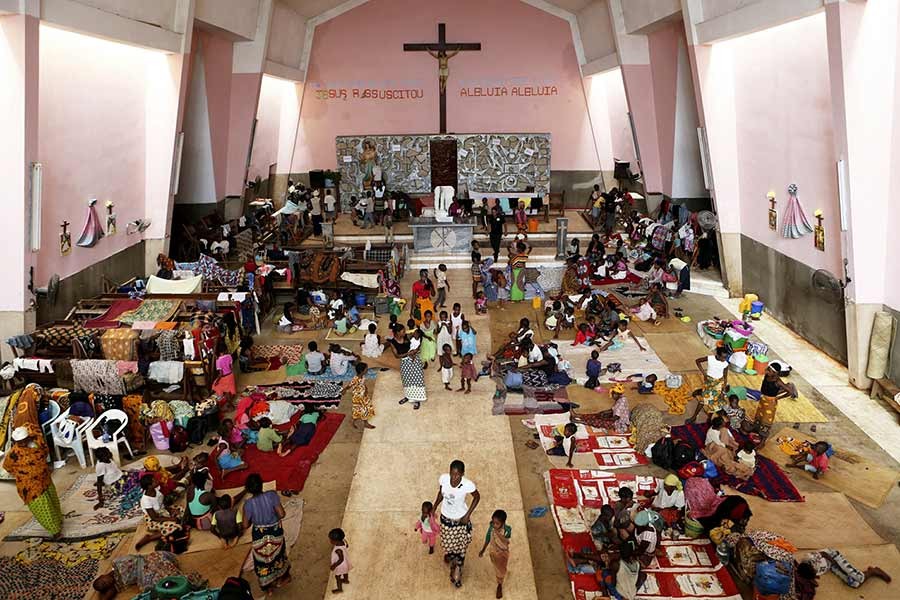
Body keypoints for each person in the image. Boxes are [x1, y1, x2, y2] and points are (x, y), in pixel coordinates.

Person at [4, 424, 63, 538]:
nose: (22, 443)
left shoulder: (37, 444)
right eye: (19, 441)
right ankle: (55, 531)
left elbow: (45, 453)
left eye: (24, 440)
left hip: (45, 479)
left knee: (52, 501)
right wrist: (24, 474)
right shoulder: (13, 454)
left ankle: (58, 520)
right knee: (42, 507)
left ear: (28, 437)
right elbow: (7, 467)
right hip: (30, 486)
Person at [435, 460, 481, 588]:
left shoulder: (467, 485)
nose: (454, 478)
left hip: (460, 521)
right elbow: (441, 493)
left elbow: (477, 497)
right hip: (446, 520)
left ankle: (457, 570)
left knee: (460, 548)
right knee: (448, 545)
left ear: (462, 474)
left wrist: (467, 515)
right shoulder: (443, 479)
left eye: (457, 475)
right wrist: (434, 507)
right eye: (452, 474)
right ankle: (452, 558)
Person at [242, 473, 291, 591]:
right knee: (278, 555)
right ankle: (282, 578)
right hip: (275, 532)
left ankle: (268, 585)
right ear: (261, 484)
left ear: (248, 489)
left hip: (259, 535)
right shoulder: (272, 495)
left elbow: (245, 525)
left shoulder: (248, 504)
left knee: (262, 560)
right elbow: (282, 514)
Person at [92, 551, 203, 600]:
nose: (106, 583)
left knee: (158, 566)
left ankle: (185, 583)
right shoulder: (118, 585)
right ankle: (181, 586)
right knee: (155, 587)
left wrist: (146, 567)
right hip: (144, 576)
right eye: (104, 587)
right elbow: (107, 596)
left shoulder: (116, 563)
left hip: (149, 560)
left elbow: (137, 559)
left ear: (102, 576)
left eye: (103, 582)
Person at [796, 548, 892, 599]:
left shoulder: (809, 558)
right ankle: (868, 572)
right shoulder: (806, 571)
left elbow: (825, 554)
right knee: (854, 584)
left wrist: (841, 568)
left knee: (858, 577)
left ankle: (874, 571)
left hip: (833, 557)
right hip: (829, 566)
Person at [135, 474, 184, 550]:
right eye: (154, 481)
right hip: (154, 518)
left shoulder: (156, 488)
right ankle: (150, 538)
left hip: (162, 510)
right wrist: (170, 519)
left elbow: (161, 502)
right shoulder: (146, 500)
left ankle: (163, 532)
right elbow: (154, 518)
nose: (157, 481)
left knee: (182, 511)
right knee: (174, 527)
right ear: (149, 486)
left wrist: (170, 510)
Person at [752, 363, 798, 443]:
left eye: (769, 370)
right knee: (759, 416)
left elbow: (790, 392)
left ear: (775, 373)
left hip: (770, 403)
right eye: (767, 369)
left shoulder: (778, 381)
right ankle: (757, 432)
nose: (766, 371)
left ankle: (763, 441)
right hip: (763, 399)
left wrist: (778, 398)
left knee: (766, 421)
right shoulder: (767, 376)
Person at [686, 346, 730, 424]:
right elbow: (698, 361)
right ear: (718, 355)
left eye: (725, 358)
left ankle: (710, 420)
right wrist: (704, 374)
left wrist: (723, 389)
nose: (724, 359)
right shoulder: (710, 359)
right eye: (723, 357)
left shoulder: (725, 364)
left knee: (715, 403)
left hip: (718, 384)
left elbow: (725, 377)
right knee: (703, 400)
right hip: (709, 382)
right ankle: (694, 417)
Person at [388, 326, 426, 410]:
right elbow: (397, 355)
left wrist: (416, 350)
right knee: (407, 380)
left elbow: (420, 336)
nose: (404, 332)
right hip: (405, 362)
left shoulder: (407, 336)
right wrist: (408, 354)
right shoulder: (392, 342)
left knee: (417, 379)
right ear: (397, 332)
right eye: (402, 331)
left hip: (414, 359)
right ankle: (408, 396)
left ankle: (417, 400)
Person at [479, 509, 512, 599]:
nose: (494, 525)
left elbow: (506, 540)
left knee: (500, 569)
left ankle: (499, 585)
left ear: (503, 523)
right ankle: (500, 578)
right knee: (497, 566)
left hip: (502, 553)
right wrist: (483, 550)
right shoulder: (491, 529)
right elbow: (488, 538)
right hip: (493, 552)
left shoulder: (507, 530)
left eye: (497, 523)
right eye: (493, 522)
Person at [345, 362, 375, 430]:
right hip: (358, 397)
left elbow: (363, 384)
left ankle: (362, 422)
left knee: (364, 409)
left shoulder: (363, 377)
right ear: (362, 371)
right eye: (366, 369)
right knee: (361, 409)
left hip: (363, 395)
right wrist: (344, 390)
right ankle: (362, 422)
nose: (367, 370)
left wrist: (366, 389)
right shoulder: (356, 379)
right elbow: (350, 385)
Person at [212, 339, 237, 408]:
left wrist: (217, 380)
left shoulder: (218, 361)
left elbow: (221, 373)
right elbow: (231, 367)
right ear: (225, 349)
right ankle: (230, 403)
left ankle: (226, 402)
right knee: (228, 391)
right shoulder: (229, 356)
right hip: (231, 375)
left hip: (224, 377)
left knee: (215, 385)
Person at [329, 527, 352, 593]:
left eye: (331, 540)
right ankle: (345, 580)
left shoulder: (338, 550)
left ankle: (339, 589)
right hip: (346, 562)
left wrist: (334, 565)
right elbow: (347, 546)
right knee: (345, 572)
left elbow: (340, 559)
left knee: (337, 577)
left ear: (336, 541)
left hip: (340, 565)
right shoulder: (344, 541)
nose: (330, 541)